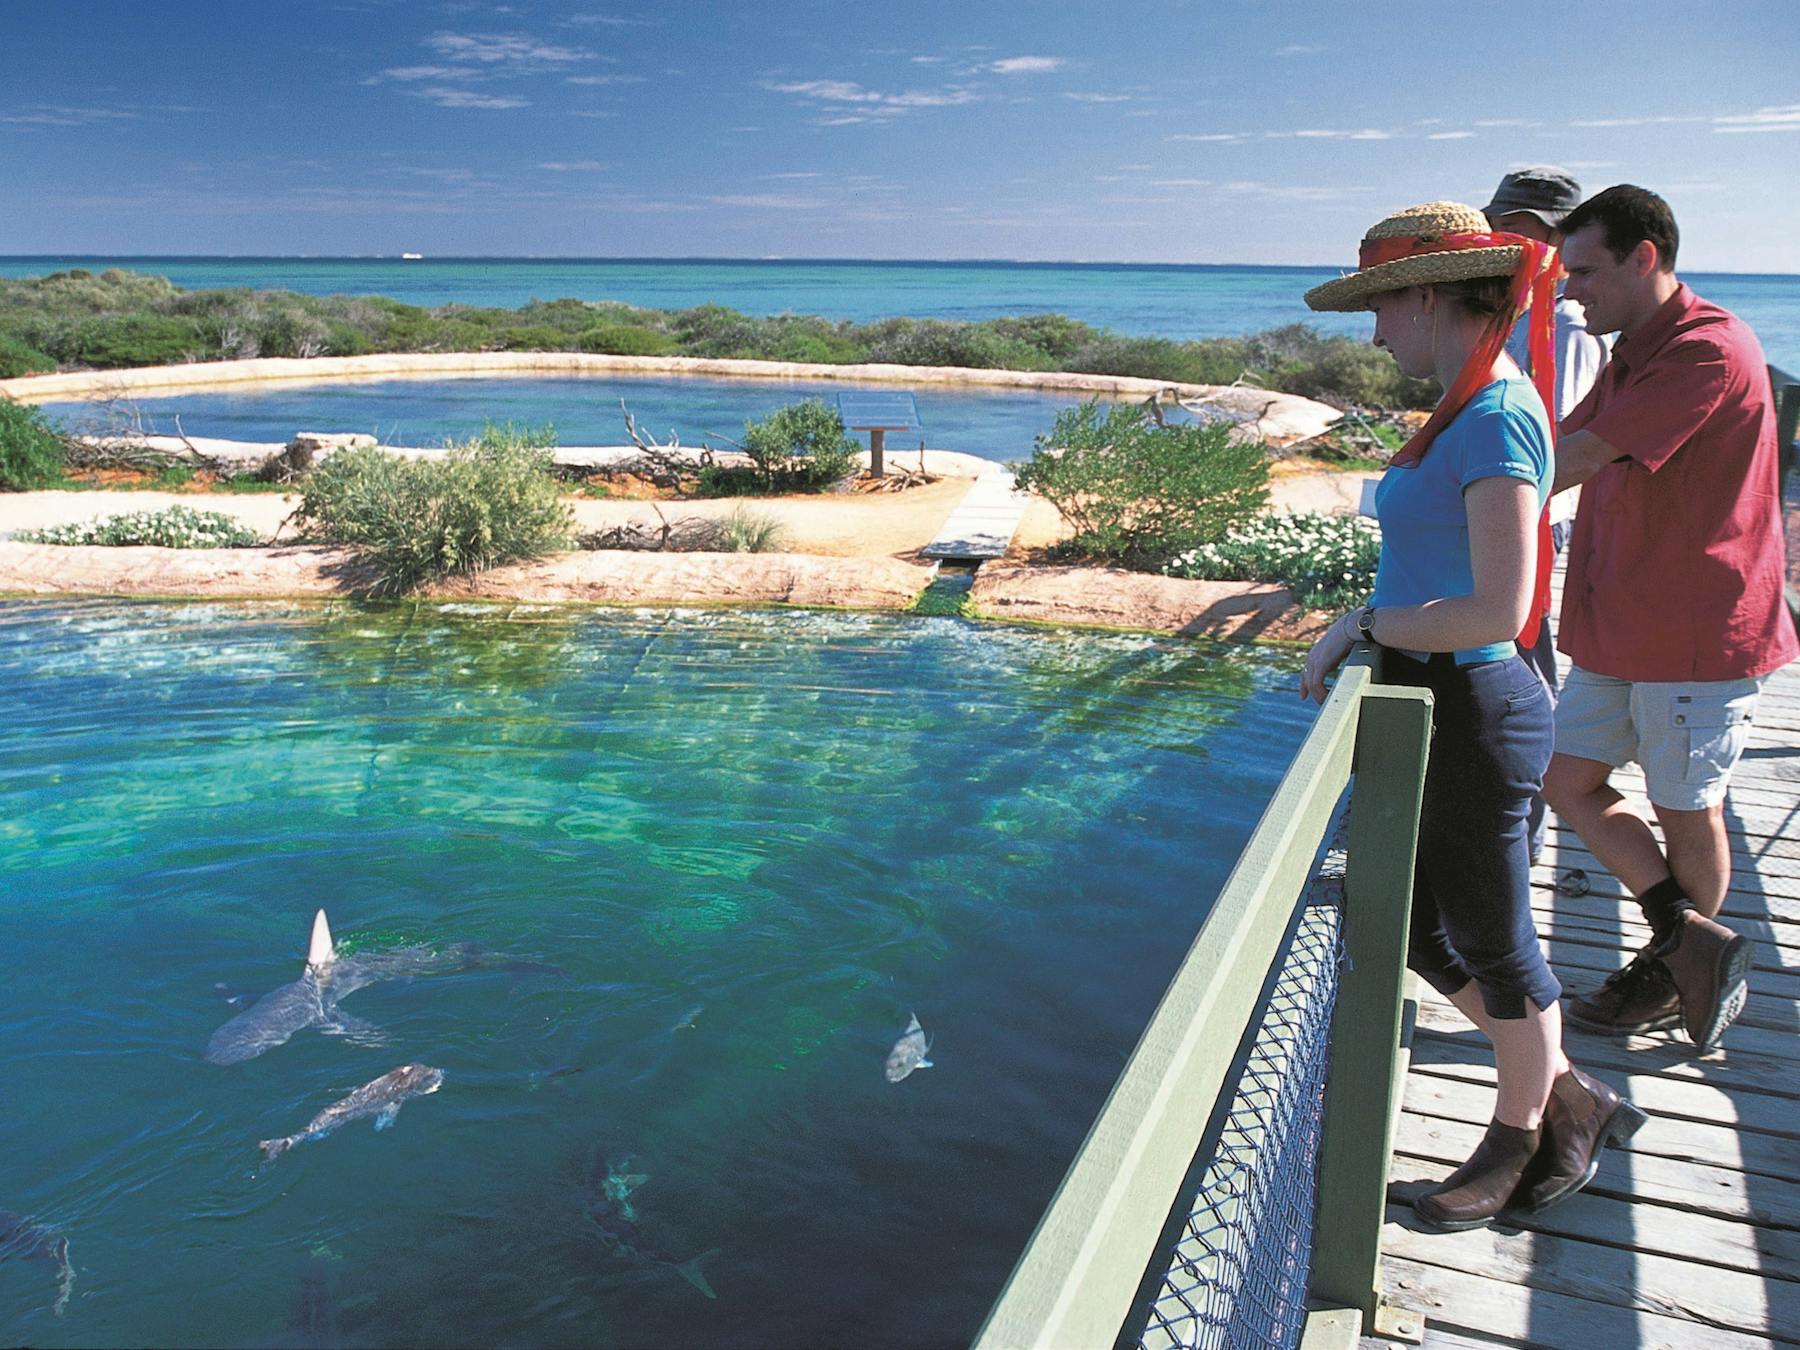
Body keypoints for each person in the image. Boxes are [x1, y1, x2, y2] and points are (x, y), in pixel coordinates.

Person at [1303, 201, 1642, 1231]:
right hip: (1436, 699)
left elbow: (1500, 606)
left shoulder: (1495, 413)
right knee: (1409, 923)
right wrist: (1375, 630)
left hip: (1476, 705)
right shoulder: (1465, 404)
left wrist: (1365, 620)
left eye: (1380, 307)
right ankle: (1569, 1095)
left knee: (1497, 942)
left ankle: (1527, 1133)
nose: (1373, 333)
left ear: (1427, 296)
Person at [1541, 185, 1797, 1052]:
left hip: (1695, 633)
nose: (1569, 292)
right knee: (1565, 781)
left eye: (1583, 271)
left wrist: (1454, 506)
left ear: (1644, 257)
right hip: (1622, 622)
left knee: (1687, 808)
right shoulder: (1634, 348)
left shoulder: (1706, 352)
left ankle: (1667, 970)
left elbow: (1573, 458)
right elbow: (1552, 434)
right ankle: (1690, 942)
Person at [1481, 167, 1613, 863]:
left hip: (1532, 515)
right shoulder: (1524, 309)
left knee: (1520, 665)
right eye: (1502, 224)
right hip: (1520, 510)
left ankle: (1518, 831)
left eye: (1523, 229)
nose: (1507, 240)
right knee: (1513, 658)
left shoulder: (1561, 325)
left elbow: (1551, 442)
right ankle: (1510, 822)